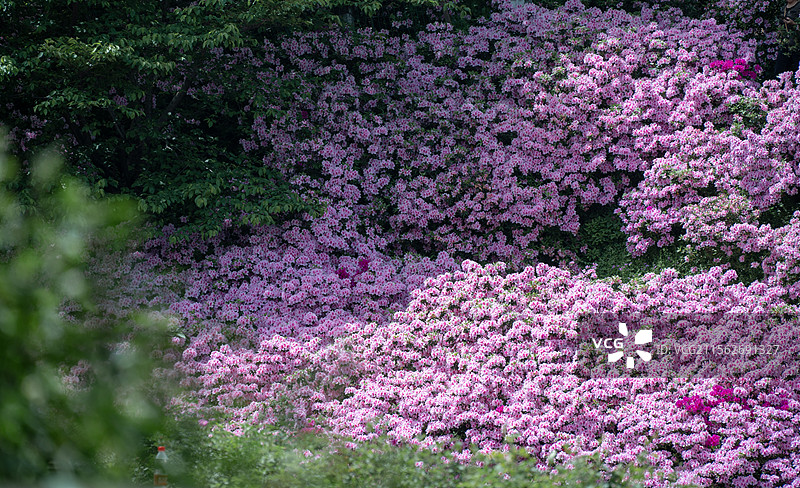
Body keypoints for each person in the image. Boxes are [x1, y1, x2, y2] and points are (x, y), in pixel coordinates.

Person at [775, 0, 800, 77]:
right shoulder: (784, 7)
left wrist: (794, 24)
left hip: (797, 44)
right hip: (785, 44)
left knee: (796, 70)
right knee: (779, 71)